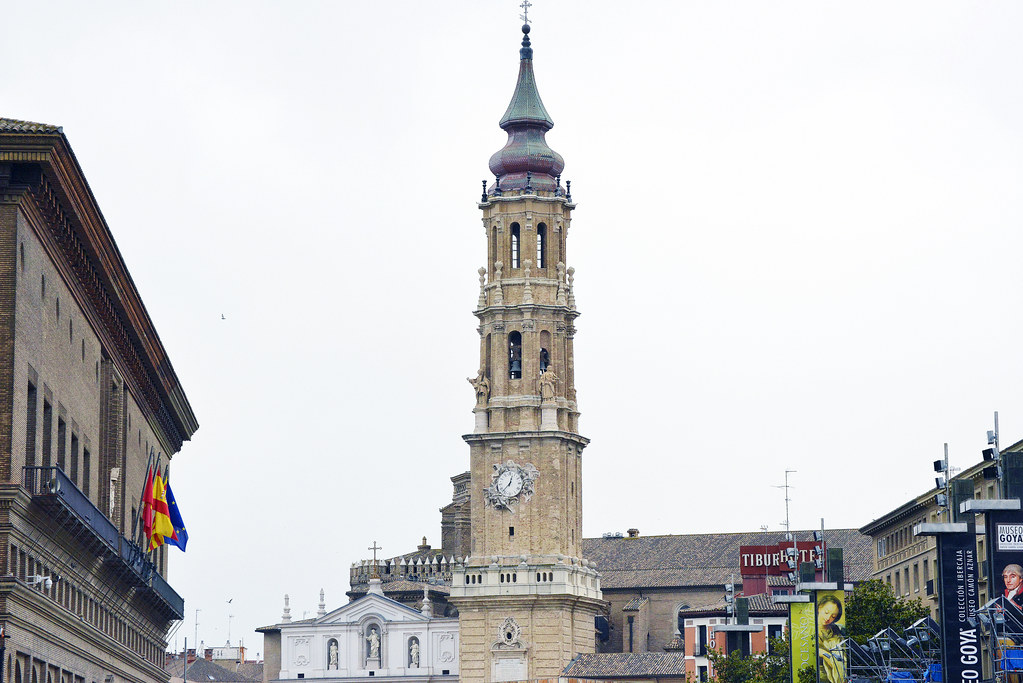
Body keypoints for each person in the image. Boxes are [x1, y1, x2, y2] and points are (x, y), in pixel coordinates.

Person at [817, 595, 846, 683]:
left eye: (833, 616)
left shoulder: (837, 631)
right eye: (826, 612)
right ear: (819, 608)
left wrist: (826, 655)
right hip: (819, 676)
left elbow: (842, 657)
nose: (828, 618)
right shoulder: (809, 629)